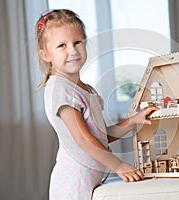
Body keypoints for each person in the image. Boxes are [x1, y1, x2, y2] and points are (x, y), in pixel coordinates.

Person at [35, 9, 158, 200]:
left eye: (78, 42)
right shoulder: (61, 89)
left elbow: (99, 136)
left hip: (90, 182)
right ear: (45, 55)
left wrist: (132, 121)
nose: (73, 50)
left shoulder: (85, 89)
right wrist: (118, 165)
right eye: (62, 45)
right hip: (73, 186)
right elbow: (83, 140)